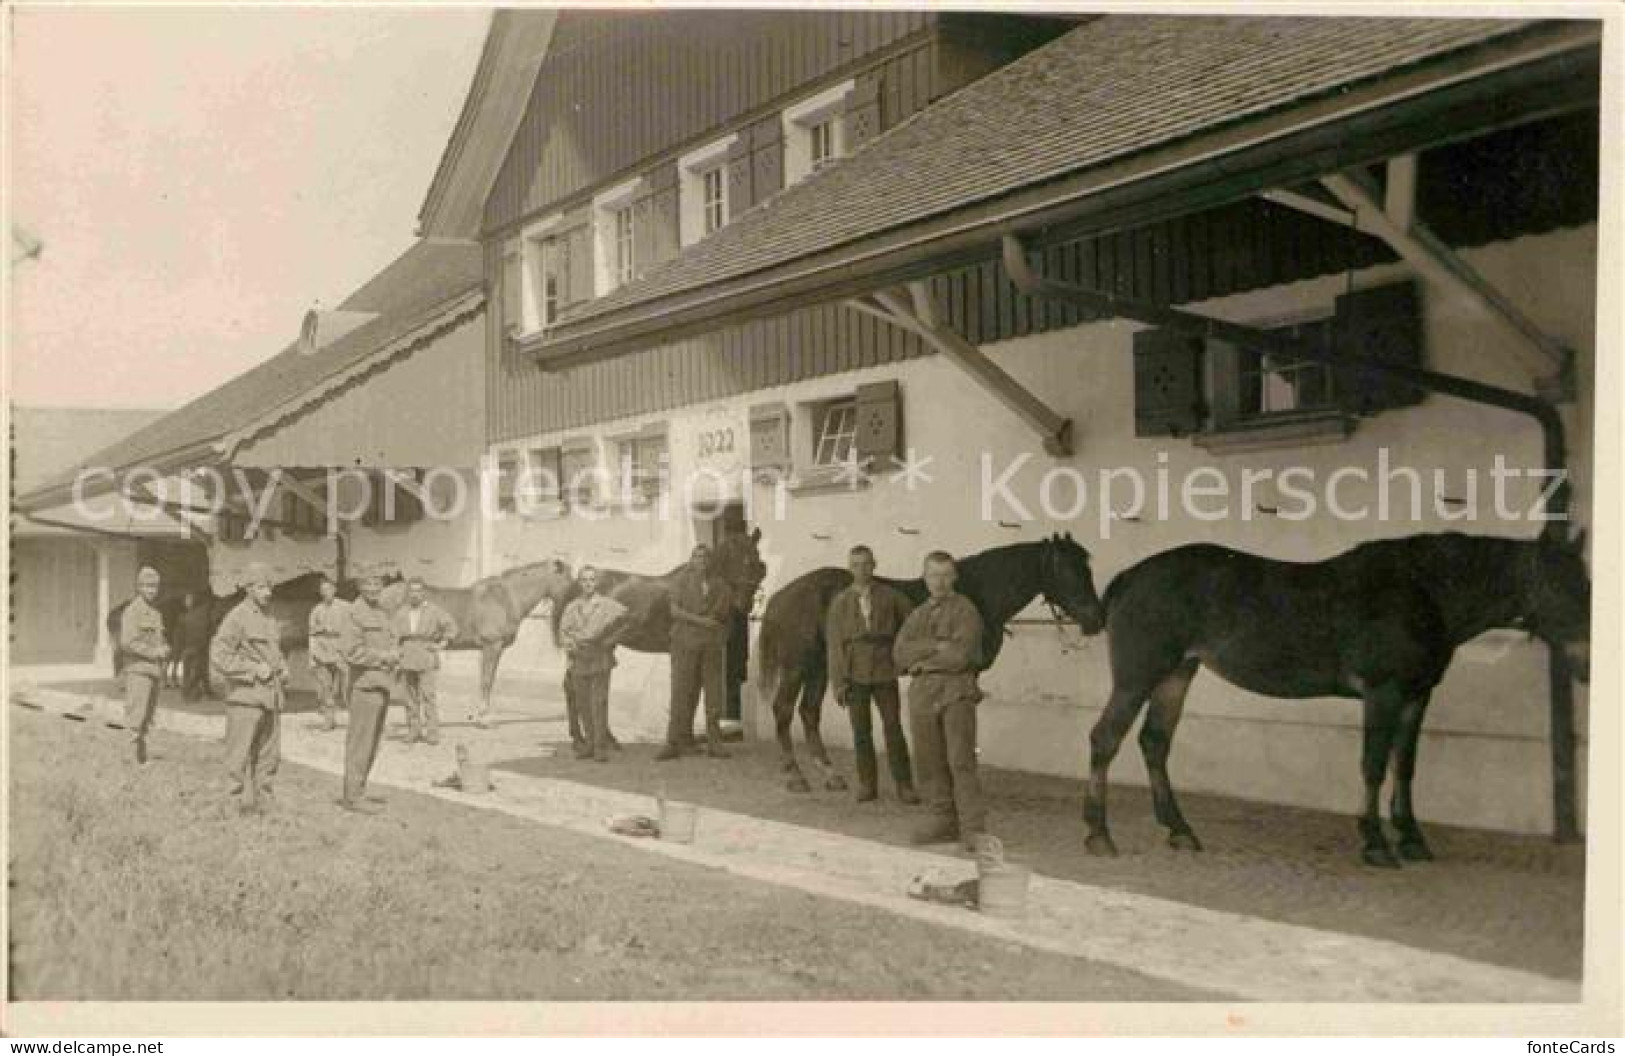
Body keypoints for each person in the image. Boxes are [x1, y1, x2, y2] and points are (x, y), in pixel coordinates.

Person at [893, 551, 987, 848]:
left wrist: (923, 662)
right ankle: (942, 821)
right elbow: (899, 654)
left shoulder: (966, 611)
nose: (940, 582)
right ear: (925, 578)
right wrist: (937, 646)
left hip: (956, 691)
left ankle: (972, 827)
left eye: (946, 575)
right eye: (934, 575)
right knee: (929, 761)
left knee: (960, 760)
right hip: (922, 696)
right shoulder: (917, 615)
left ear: (955, 577)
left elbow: (962, 655)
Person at [826, 545, 919, 804]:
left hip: (884, 670)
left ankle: (904, 785)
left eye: (866, 564)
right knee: (861, 731)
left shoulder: (891, 596)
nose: (861, 570)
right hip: (854, 673)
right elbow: (834, 645)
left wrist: (903, 658)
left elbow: (913, 624)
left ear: (874, 565)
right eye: (855, 565)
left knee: (893, 728)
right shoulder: (841, 602)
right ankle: (867, 784)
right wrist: (838, 682)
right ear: (849, 568)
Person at [210, 564, 286, 814]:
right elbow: (220, 655)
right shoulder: (236, 616)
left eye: (270, 587)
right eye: (262, 587)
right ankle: (230, 807)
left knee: (268, 757)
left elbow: (273, 653)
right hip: (245, 700)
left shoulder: (269, 617)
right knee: (238, 757)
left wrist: (282, 667)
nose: (268, 593)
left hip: (270, 698)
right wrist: (253, 670)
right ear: (250, 588)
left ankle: (265, 805)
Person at [657, 543, 733, 761]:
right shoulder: (680, 581)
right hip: (683, 643)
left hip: (710, 646)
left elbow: (721, 613)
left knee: (713, 693)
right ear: (692, 559)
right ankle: (673, 742)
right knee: (680, 691)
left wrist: (712, 625)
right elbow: (674, 611)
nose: (701, 561)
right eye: (697, 557)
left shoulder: (720, 585)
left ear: (710, 562)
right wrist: (701, 620)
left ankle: (715, 742)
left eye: (705, 557)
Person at [558, 566, 631, 762]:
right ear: (579, 583)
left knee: (598, 703)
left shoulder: (608, 605)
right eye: (584, 580)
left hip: (600, 659)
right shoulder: (572, 607)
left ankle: (600, 747)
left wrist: (611, 640)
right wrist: (570, 646)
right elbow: (563, 633)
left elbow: (628, 622)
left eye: (591, 580)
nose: (588, 583)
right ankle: (589, 744)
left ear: (597, 582)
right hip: (578, 660)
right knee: (583, 704)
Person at [340, 569, 399, 812]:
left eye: (378, 584)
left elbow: (391, 639)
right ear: (360, 587)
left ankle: (359, 791)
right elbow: (351, 652)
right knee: (360, 743)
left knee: (372, 744)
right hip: (364, 687)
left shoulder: (381, 611)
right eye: (369, 584)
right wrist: (384, 657)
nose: (375, 588)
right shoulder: (355, 614)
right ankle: (352, 797)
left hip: (381, 684)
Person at [392, 578, 458, 746]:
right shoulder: (401, 612)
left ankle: (432, 733)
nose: (415, 594)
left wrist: (442, 644)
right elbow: (393, 634)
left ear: (424, 593)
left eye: (418, 591)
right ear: (408, 593)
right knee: (409, 697)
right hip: (406, 656)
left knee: (428, 696)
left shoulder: (434, 611)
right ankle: (414, 731)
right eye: (412, 591)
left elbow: (452, 627)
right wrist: (396, 653)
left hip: (426, 654)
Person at [117, 566, 169, 764]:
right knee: (135, 718)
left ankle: (141, 757)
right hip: (138, 671)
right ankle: (130, 760)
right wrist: (153, 652)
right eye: (147, 586)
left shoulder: (155, 613)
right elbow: (127, 642)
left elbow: (157, 638)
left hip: (153, 672)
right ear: (139, 587)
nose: (151, 590)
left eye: (154, 586)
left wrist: (164, 647)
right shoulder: (132, 611)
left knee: (147, 717)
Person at [307, 575, 350, 731]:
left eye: (329, 589)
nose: (326, 592)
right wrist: (312, 657)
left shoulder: (346, 607)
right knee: (326, 688)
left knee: (348, 687)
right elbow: (312, 635)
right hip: (323, 654)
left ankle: (355, 720)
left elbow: (355, 628)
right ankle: (329, 720)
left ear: (335, 590)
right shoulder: (316, 610)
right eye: (323, 590)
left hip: (341, 652)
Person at [177, 591, 215, 701]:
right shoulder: (202, 614)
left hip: (190, 647)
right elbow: (211, 630)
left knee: (189, 672)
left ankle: (188, 694)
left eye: (188, 600)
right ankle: (193, 693)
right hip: (198, 648)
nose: (186, 602)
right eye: (186, 600)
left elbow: (180, 634)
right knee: (197, 671)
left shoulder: (185, 616)